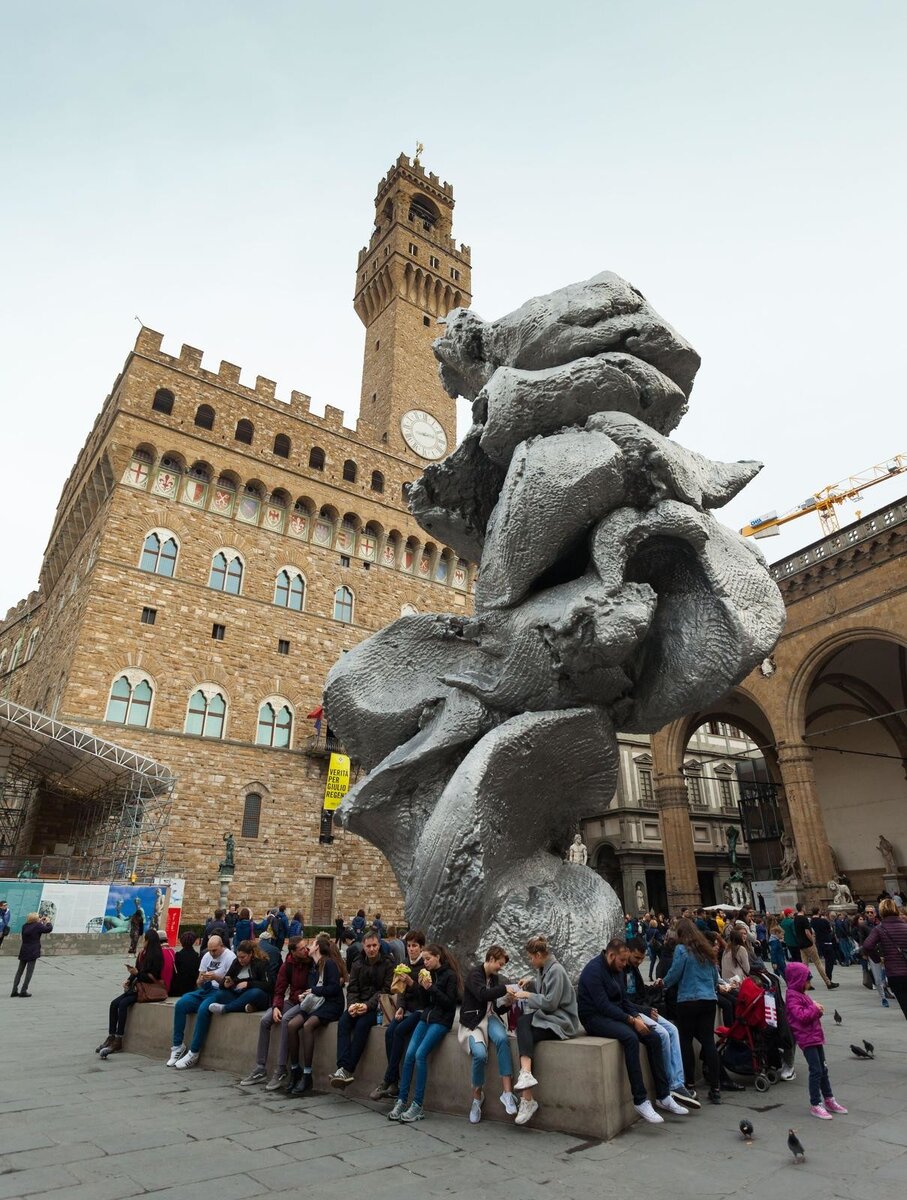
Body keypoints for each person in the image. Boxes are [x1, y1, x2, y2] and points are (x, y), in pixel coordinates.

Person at [578, 938, 688, 1126]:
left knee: (653, 1038)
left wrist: (637, 1016)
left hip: (614, 1014)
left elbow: (623, 1001)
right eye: (622, 960)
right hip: (594, 1018)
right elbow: (603, 1005)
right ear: (611, 955)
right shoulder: (592, 971)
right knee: (629, 1037)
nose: (624, 965)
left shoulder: (617, 969)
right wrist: (631, 1021)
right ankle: (640, 1100)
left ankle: (663, 1095)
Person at [510, 934, 580, 1126]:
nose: (531, 961)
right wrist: (531, 983)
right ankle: (526, 1088)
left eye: (531, 957)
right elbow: (545, 990)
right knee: (526, 1032)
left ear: (540, 955)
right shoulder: (544, 970)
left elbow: (550, 1002)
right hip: (550, 1018)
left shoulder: (556, 970)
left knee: (524, 1024)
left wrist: (527, 994)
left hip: (560, 1021)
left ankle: (527, 1096)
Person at [388, 943, 461, 1123]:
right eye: (424, 959)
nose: (425, 962)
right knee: (410, 1054)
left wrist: (431, 988)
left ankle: (418, 1105)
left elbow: (450, 1004)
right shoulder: (427, 974)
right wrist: (420, 986)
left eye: (428, 959)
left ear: (438, 957)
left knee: (420, 1054)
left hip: (441, 1021)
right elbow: (424, 1002)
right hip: (425, 1017)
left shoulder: (450, 975)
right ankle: (402, 1101)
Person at [625, 939, 699, 1108]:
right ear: (627, 951)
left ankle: (678, 1082)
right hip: (635, 1012)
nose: (638, 962)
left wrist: (654, 988)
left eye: (641, 959)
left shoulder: (633, 969)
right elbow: (622, 1000)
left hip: (641, 1008)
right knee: (663, 1034)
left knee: (673, 1029)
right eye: (636, 958)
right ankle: (670, 1083)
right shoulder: (621, 970)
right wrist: (643, 1010)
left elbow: (640, 992)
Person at [661, 918, 724, 1105]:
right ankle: (716, 1088)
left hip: (688, 1000)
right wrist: (709, 990)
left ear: (681, 934)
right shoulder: (706, 950)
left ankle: (689, 1085)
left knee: (686, 1041)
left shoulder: (682, 950)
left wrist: (662, 983)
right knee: (708, 1042)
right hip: (708, 1000)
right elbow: (714, 978)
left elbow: (674, 974)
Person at [239, 937, 313, 1089]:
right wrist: (276, 1007)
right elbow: (279, 990)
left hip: (306, 1002)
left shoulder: (311, 962)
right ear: (293, 951)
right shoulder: (287, 965)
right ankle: (260, 1067)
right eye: (302, 949)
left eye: (306, 947)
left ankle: (281, 1069)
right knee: (265, 1020)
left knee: (286, 1020)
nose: (306, 950)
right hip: (292, 1000)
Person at [457, 944, 519, 1123]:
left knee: (501, 1039)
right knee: (479, 1055)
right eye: (499, 963)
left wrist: (507, 1002)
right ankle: (477, 1097)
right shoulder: (474, 974)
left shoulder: (494, 978)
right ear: (491, 959)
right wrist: (506, 988)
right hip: (473, 1022)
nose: (501, 967)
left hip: (489, 1017)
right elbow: (482, 995)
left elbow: (493, 1007)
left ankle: (507, 1093)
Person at [330, 928, 394, 1088]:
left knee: (362, 1026)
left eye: (374, 945)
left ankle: (347, 1069)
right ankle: (341, 1068)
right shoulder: (358, 962)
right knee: (344, 1022)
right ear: (363, 947)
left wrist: (367, 1005)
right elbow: (352, 988)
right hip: (358, 1004)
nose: (371, 949)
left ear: (379, 945)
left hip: (376, 1008)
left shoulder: (387, 963)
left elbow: (385, 990)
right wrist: (352, 1005)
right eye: (368, 946)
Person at [784, 961, 848, 1119]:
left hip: (815, 1036)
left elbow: (807, 1013)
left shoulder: (800, 994)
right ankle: (816, 1103)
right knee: (816, 1070)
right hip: (807, 1039)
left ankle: (829, 1099)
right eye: (807, 980)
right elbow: (801, 1016)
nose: (809, 984)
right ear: (799, 980)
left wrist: (815, 1009)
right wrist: (815, 1008)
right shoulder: (792, 996)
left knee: (823, 1068)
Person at [286, 935, 347, 1094]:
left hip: (332, 1004)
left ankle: (307, 1074)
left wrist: (313, 990)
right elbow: (313, 988)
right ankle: (295, 1069)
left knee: (308, 1026)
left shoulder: (330, 964)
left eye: (312, 944)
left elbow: (333, 989)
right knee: (292, 1025)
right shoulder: (314, 966)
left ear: (318, 947)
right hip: (317, 1003)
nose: (309, 947)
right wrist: (306, 995)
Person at [371, 929, 426, 1100]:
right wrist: (400, 1007)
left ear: (421, 947)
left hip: (420, 1010)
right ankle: (394, 1081)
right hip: (406, 1010)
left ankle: (388, 1080)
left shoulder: (425, 966)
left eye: (415, 946)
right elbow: (400, 991)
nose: (411, 949)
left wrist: (412, 983)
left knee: (399, 1031)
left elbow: (425, 995)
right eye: (409, 945)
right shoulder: (404, 963)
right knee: (389, 1032)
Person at [166, 934, 235, 1068]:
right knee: (181, 1004)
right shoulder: (206, 956)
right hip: (206, 990)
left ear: (222, 946)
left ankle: (194, 1051)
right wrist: (201, 980)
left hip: (220, 991)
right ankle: (177, 1046)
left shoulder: (230, 957)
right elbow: (198, 983)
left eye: (214, 950)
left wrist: (215, 977)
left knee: (204, 1009)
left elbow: (230, 984)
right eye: (209, 950)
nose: (212, 953)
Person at [99, 929, 171, 1054]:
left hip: (146, 989)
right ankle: (111, 1035)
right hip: (136, 987)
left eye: (145, 939)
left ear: (149, 941)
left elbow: (151, 977)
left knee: (122, 1004)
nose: (143, 941)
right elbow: (137, 970)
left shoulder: (157, 956)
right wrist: (129, 979)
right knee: (114, 1003)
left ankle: (119, 1039)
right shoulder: (143, 954)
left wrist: (137, 974)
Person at [861, 898, 907, 1018]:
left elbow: (866, 946)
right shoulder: (905, 926)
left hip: (895, 974)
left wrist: (877, 959)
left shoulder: (880, 929)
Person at [209, 939, 272, 1013]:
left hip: (255, 994)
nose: (240, 960)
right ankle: (244, 1006)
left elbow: (268, 985)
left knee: (255, 993)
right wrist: (225, 984)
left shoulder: (261, 963)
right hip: (238, 994)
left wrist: (248, 984)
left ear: (250, 954)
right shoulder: (236, 962)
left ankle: (226, 1008)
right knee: (220, 994)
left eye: (243, 957)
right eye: (238, 957)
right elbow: (225, 980)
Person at [793, 904, 839, 990]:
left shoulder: (795, 918)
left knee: (805, 965)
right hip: (808, 944)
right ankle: (828, 982)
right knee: (818, 963)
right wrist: (812, 941)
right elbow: (807, 932)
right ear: (802, 908)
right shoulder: (804, 918)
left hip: (801, 944)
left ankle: (806, 984)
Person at [10, 912, 53, 997]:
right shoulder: (38, 926)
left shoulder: (25, 926)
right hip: (33, 950)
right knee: (29, 972)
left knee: (19, 971)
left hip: (24, 950)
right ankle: (23, 990)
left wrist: (39, 921)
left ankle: (14, 990)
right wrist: (48, 922)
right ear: (36, 919)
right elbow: (48, 929)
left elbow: (33, 927)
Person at [169, 931, 201, 997]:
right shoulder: (196, 956)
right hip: (192, 987)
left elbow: (174, 972)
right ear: (193, 941)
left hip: (179, 988)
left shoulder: (178, 955)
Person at [810, 908, 836, 983]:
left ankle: (827, 978)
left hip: (818, 942)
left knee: (825, 960)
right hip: (827, 942)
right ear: (818, 912)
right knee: (830, 961)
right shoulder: (823, 921)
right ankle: (828, 978)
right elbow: (829, 930)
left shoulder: (811, 921)